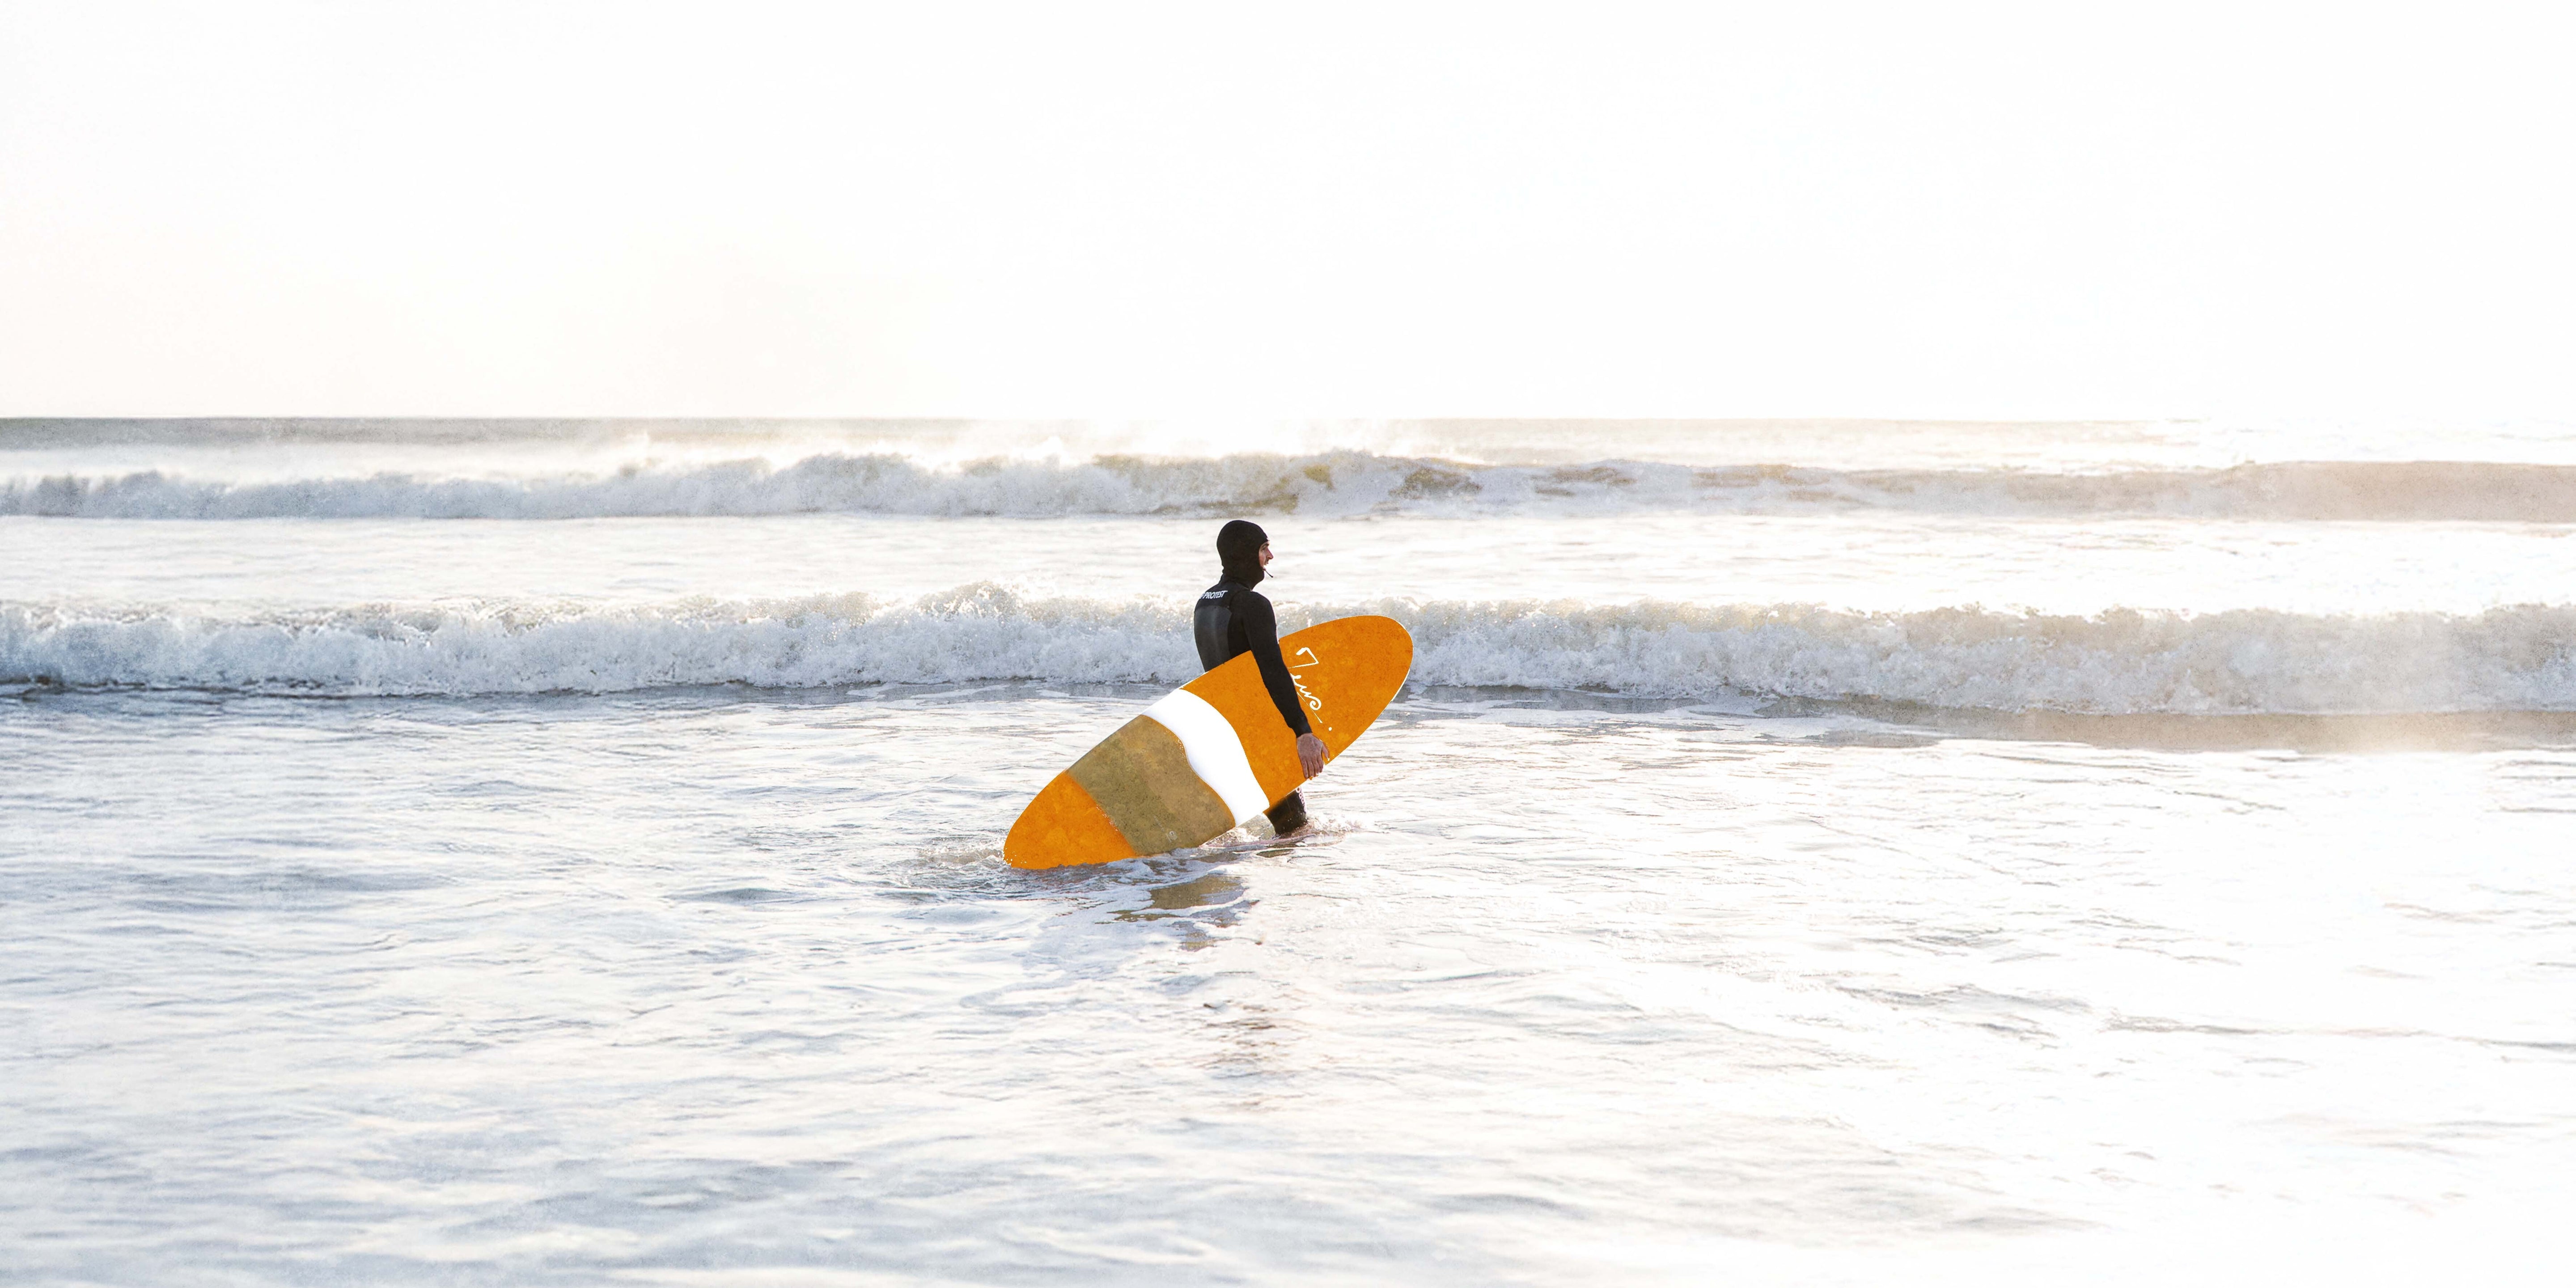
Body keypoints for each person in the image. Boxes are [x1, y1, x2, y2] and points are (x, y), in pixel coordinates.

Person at [1194, 519, 1328, 837]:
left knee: (1287, 826)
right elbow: (1273, 669)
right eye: (1264, 548)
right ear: (1246, 553)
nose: (1270, 557)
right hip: (1259, 734)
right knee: (1295, 828)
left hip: (1228, 734)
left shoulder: (1205, 603)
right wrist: (1303, 732)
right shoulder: (1253, 605)